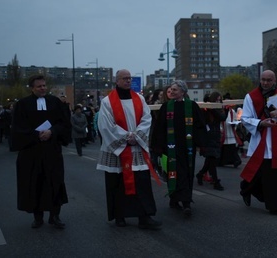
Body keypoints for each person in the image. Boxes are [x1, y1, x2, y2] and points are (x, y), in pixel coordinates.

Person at [96, 69, 161, 229]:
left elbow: (147, 119)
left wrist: (136, 136)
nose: (127, 81)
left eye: (129, 78)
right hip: (118, 150)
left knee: (142, 183)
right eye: (124, 78)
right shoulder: (107, 102)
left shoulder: (139, 99)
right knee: (117, 184)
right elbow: (105, 125)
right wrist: (126, 137)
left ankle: (144, 216)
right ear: (116, 81)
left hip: (136, 147)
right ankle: (120, 216)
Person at [11, 74, 71, 229]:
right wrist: (36, 135)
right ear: (32, 88)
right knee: (34, 183)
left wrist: (52, 132)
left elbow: (63, 122)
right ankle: (37, 217)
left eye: (44, 85)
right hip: (32, 152)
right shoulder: (23, 104)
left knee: (54, 182)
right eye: (39, 86)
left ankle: (55, 216)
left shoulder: (55, 102)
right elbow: (18, 127)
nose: (43, 88)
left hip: (52, 150)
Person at [239, 70, 277, 215]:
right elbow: (245, 118)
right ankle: (246, 188)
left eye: (269, 80)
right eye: (263, 79)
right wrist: (260, 123)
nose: (265, 83)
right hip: (262, 141)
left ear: (274, 80)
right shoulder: (251, 97)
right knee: (261, 174)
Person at [151, 80, 206, 216]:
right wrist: (158, 146)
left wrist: (202, 144)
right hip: (171, 147)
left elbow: (199, 125)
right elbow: (160, 127)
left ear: (183, 91)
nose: (172, 92)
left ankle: (186, 202)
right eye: (171, 89)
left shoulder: (191, 106)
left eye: (175, 90)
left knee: (186, 172)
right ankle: (174, 198)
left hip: (187, 147)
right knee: (173, 172)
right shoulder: (166, 107)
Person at [196, 92, 226, 191]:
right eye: (217, 100)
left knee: (210, 160)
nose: (218, 101)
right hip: (209, 137)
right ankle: (216, 181)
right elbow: (221, 117)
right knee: (212, 160)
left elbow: (222, 117)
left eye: (219, 100)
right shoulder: (209, 109)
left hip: (215, 136)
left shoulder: (215, 109)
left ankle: (200, 174)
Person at [218, 103, 242, 168]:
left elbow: (235, 119)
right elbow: (219, 121)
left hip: (230, 131)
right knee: (224, 148)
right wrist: (221, 129)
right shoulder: (220, 111)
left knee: (232, 147)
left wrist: (235, 124)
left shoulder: (232, 111)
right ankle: (222, 161)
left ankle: (236, 161)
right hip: (224, 131)